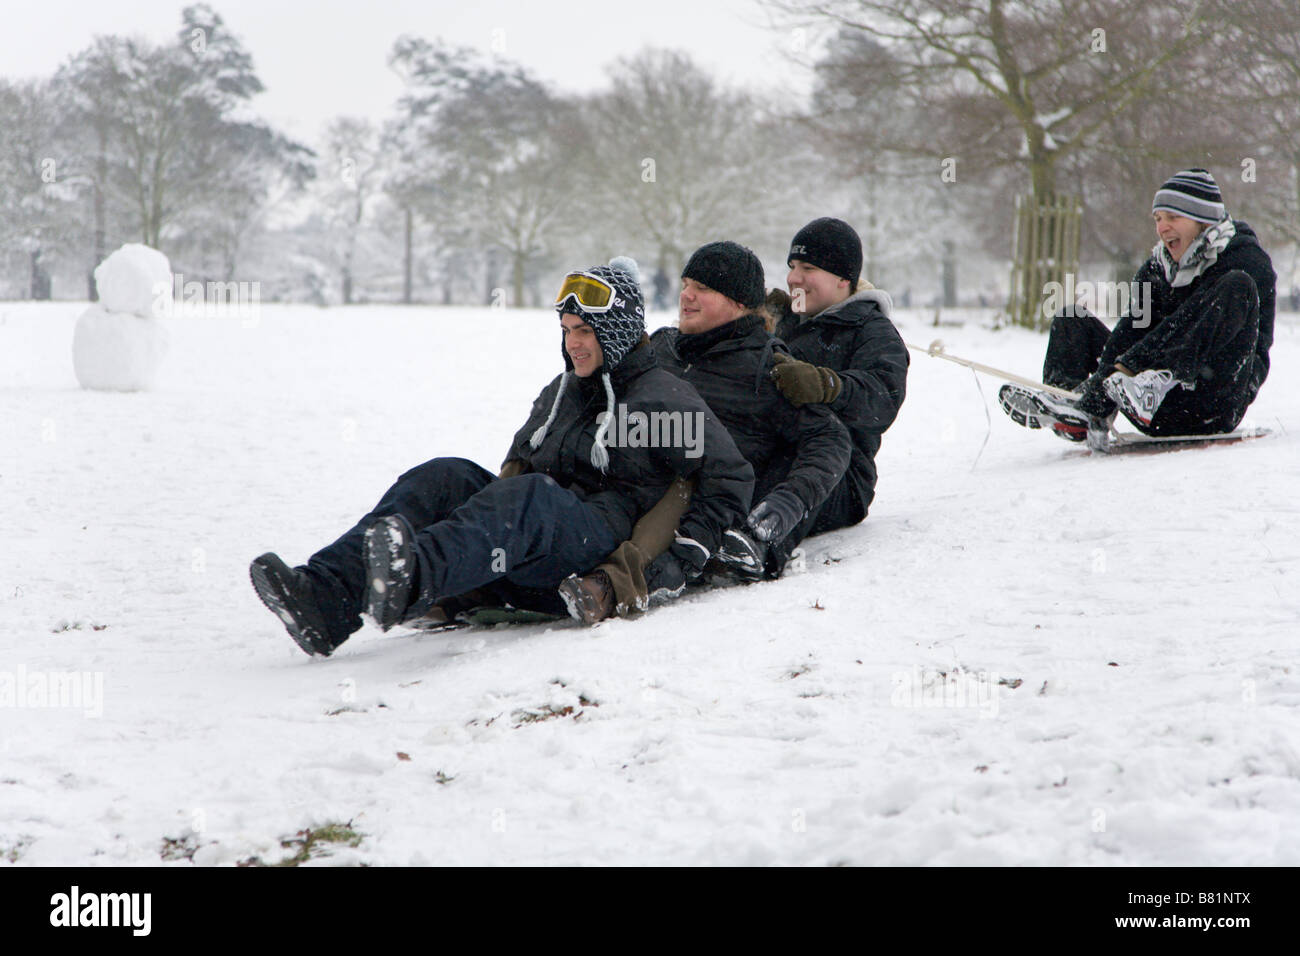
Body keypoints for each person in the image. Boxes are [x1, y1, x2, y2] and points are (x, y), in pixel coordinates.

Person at [249, 258, 753, 656]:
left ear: (616, 332)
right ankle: (323, 600)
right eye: (567, 329)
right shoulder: (563, 391)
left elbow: (728, 480)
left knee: (530, 498)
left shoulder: (661, 397)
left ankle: (413, 578)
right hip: (535, 540)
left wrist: (678, 560)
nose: (572, 343)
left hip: (595, 543)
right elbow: (515, 468)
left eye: (584, 331)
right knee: (444, 476)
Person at [558, 241, 852, 624]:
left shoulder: (768, 369)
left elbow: (830, 441)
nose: (687, 296)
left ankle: (616, 583)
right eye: (685, 284)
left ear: (740, 303)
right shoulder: (660, 347)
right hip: (620, 484)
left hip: (693, 505)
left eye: (704, 289)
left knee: (682, 487)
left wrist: (785, 505)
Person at [1000, 168, 1276, 443]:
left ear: (1203, 221)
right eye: (1158, 218)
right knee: (1071, 318)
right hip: (1145, 403)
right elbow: (1131, 331)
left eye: (1173, 217)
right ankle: (1072, 408)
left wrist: (1127, 370)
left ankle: (1139, 386)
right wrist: (1101, 385)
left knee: (1238, 286)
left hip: (1212, 404)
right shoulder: (1157, 268)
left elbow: (1250, 348)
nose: (1162, 227)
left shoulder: (1246, 261)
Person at [765, 217, 910, 540]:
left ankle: (755, 544)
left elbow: (882, 399)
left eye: (807, 268)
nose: (793, 278)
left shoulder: (872, 331)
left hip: (839, 479)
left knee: (758, 489)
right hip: (772, 452)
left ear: (844, 278)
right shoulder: (784, 321)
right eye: (792, 266)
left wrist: (828, 386)